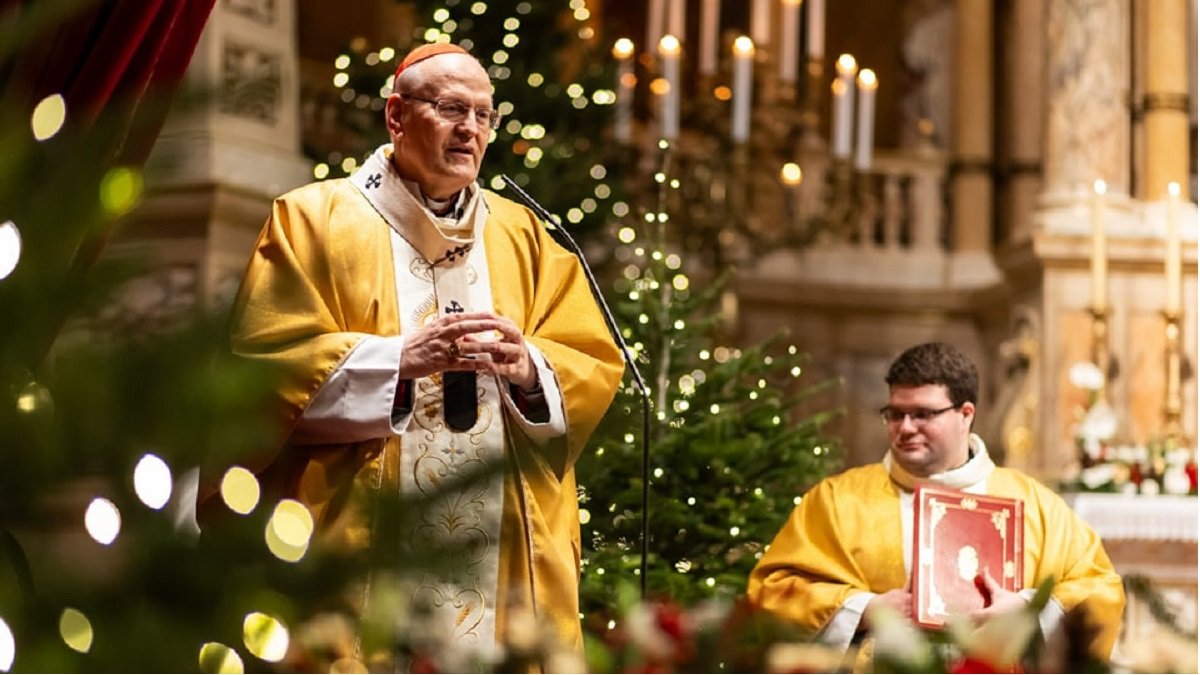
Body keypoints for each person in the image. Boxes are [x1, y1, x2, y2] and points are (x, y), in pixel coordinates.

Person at [212, 43, 624, 664]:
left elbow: (590, 362)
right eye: (453, 109)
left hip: (499, 555)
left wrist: (530, 370)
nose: (472, 131)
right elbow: (260, 370)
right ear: (397, 117)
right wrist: (395, 361)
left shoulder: (527, 237)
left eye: (485, 116)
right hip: (357, 542)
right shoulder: (313, 221)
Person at [747, 342, 1124, 661]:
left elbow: (1100, 590)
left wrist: (1028, 609)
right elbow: (771, 591)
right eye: (895, 413)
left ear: (965, 414)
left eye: (923, 414)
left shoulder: (1035, 506)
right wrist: (863, 610)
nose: (905, 427)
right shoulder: (838, 502)